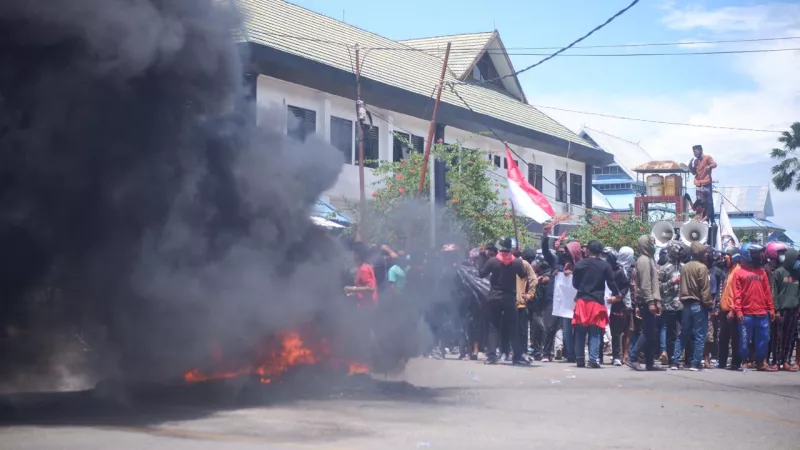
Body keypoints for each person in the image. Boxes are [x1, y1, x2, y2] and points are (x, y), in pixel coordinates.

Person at [571, 241, 620, 368]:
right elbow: (611, 282)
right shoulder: (605, 266)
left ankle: (580, 359)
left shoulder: (579, 264)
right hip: (596, 302)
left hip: (582, 301)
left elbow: (575, 284)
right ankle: (593, 359)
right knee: (595, 332)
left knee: (580, 332)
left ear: (588, 251)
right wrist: (617, 294)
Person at [479, 237, 527, 364]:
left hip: (494, 297)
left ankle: (491, 356)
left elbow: (481, 273)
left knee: (493, 327)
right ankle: (517, 357)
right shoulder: (516, 262)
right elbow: (523, 275)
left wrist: (482, 257)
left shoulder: (493, 261)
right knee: (513, 327)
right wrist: (519, 257)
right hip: (509, 298)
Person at [733, 243, 775, 371]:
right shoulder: (739, 273)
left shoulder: (762, 272)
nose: (759, 256)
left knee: (763, 340)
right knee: (745, 341)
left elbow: (767, 291)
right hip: (746, 314)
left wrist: (771, 308)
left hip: (762, 313)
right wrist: (738, 311)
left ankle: (761, 362)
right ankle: (745, 361)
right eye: (755, 254)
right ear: (748, 254)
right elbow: (737, 294)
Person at [672, 243, 712, 371]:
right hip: (698, 304)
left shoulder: (685, 267)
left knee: (683, 334)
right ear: (699, 253)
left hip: (686, 305)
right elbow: (704, 288)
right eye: (704, 252)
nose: (706, 255)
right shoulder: (702, 267)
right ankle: (695, 363)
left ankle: (674, 361)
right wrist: (708, 303)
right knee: (700, 335)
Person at [629, 235, 665, 371]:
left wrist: (658, 301)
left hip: (650, 300)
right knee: (648, 332)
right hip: (646, 300)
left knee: (652, 332)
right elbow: (645, 284)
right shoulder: (643, 260)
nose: (653, 245)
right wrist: (651, 302)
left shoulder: (649, 259)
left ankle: (650, 362)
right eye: (651, 243)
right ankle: (633, 357)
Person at [770, 247, 800, 371]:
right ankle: (776, 361)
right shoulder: (779, 272)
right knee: (778, 337)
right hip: (781, 310)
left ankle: (786, 361)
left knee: (790, 337)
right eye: (796, 258)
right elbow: (774, 292)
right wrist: (776, 310)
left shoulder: (798, 273)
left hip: (793, 310)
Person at [658, 241, 686, 368]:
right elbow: (658, 287)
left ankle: (685, 358)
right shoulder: (663, 268)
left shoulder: (684, 267)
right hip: (668, 305)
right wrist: (671, 282)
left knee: (685, 331)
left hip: (682, 305)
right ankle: (671, 359)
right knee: (671, 334)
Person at [604, 247, 630, 366]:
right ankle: (597, 356)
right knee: (599, 330)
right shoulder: (600, 269)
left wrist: (618, 296)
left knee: (616, 332)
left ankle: (616, 356)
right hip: (600, 301)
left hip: (615, 304)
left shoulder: (619, 271)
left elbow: (626, 286)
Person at [718, 246, 742, 370]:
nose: (724, 259)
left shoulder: (738, 271)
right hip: (725, 310)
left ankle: (735, 362)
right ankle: (722, 362)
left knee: (735, 339)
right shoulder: (729, 271)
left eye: (726, 256)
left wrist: (733, 310)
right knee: (723, 338)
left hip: (732, 311)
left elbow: (738, 294)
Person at [522, 248, 546, 361]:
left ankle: (537, 350)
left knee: (538, 327)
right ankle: (522, 350)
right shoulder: (520, 268)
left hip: (534, 304)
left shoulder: (538, 272)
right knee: (523, 328)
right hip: (523, 302)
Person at [516, 248, 538, 363]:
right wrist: (530, 295)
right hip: (521, 302)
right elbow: (534, 280)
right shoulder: (525, 264)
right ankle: (521, 354)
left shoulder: (512, 262)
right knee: (522, 331)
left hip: (509, 301)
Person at [689, 144, 717, 226]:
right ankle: (700, 218)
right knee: (699, 202)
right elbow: (694, 172)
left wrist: (709, 166)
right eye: (693, 152)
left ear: (700, 150)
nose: (694, 153)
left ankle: (712, 220)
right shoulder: (696, 161)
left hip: (706, 183)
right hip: (698, 183)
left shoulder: (707, 158)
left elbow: (714, 164)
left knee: (709, 203)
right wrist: (690, 165)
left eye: (695, 151)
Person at [617, 246, 636, 364]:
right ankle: (625, 354)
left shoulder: (614, 268)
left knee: (619, 331)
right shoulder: (632, 270)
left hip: (617, 302)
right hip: (628, 303)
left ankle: (620, 354)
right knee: (627, 330)